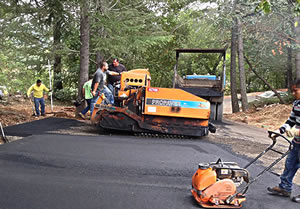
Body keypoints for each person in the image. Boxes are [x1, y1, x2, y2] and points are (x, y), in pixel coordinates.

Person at [267, 79, 300, 203]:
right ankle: (284, 188)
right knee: (289, 165)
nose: (293, 93)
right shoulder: (297, 103)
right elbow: (291, 121)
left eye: (295, 90)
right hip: (296, 143)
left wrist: (296, 132)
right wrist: (279, 130)